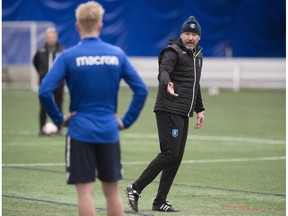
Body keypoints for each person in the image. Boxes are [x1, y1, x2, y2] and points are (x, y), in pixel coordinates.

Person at [38, 1, 148, 216]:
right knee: (112, 192)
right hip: (109, 130)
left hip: (79, 131)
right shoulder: (116, 54)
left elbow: (44, 91)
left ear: (77, 26)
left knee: (85, 192)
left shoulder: (68, 56)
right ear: (100, 25)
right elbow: (141, 91)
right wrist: (126, 121)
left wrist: (59, 119)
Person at [125, 16, 205, 212]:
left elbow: (195, 85)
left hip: (183, 111)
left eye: (194, 34)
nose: (190, 37)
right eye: (187, 33)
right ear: (181, 34)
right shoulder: (172, 52)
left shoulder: (198, 56)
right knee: (169, 153)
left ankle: (160, 201)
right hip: (168, 108)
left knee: (176, 157)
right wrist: (166, 82)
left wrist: (199, 109)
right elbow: (164, 71)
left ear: (199, 37)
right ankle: (135, 188)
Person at [33, 27, 65, 136]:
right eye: (49, 37)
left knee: (58, 105)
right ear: (46, 38)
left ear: (56, 38)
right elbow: (35, 63)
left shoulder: (62, 50)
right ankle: (42, 128)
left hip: (59, 84)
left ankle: (58, 128)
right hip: (44, 84)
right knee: (43, 106)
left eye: (53, 37)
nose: (51, 39)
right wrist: (42, 74)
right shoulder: (40, 51)